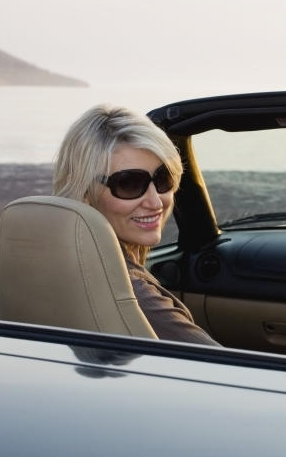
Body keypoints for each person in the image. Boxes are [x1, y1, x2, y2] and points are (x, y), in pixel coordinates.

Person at [53, 104, 219, 346]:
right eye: (129, 183)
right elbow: (229, 374)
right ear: (84, 193)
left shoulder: (55, 266)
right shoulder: (133, 294)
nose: (155, 201)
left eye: (163, 179)